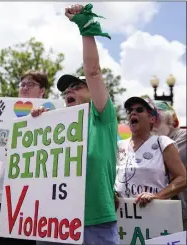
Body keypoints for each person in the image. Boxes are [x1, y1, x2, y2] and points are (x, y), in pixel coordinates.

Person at [32, 4, 119, 245]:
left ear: (95, 93)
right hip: (54, 222)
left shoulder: (102, 117)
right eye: (66, 90)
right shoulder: (54, 126)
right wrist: (36, 126)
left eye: (77, 86)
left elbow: (93, 72)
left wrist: (85, 27)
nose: (69, 90)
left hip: (94, 222)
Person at [0, 69, 48, 245]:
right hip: (4, 198)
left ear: (42, 91)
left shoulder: (49, 115)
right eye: (22, 84)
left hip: (34, 197)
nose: (25, 88)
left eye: (31, 84)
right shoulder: (7, 119)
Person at [115, 96, 186, 205]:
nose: (133, 113)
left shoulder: (163, 143)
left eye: (139, 110)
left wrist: (157, 196)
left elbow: (183, 178)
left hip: (154, 214)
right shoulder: (119, 146)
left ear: (151, 119)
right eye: (130, 111)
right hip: (122, 216)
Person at [152, 100, 187, 230]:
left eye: (156, 119)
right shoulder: (154, 142)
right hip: (165, 214)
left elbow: (167, 167)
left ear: (171, 121)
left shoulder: (183, 138)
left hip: (182, 214)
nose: (152, 124)